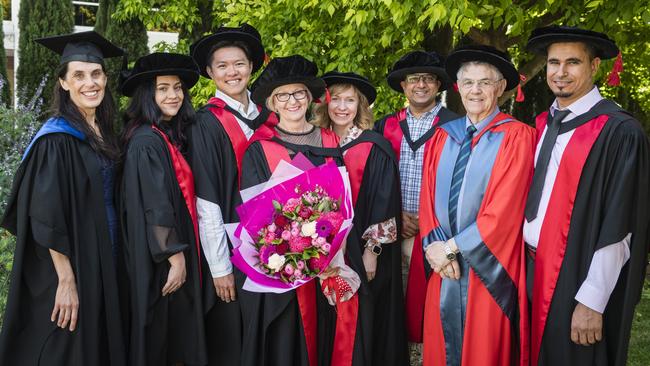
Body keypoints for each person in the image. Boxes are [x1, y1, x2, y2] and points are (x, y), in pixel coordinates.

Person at [524, 25, 650, 366]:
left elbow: (620, 223)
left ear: (594, 66)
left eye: (572, 62)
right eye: (553, 62)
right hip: (530, 269)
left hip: (576, 273)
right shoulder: (540, 125)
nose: (560, 72)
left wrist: (592, 300)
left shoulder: (619, 132)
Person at [0, 31, 127, 365]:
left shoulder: (104, 130)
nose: (90, 83)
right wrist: (66, 280)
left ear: (105, 77)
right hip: (77, 256)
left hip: (108, 250)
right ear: (64, 83)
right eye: (79, 75)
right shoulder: (56, 139)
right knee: (73, 343)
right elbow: (46, 214)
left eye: (96, 74)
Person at [419, 45, 534, 366]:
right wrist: (434, 248)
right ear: (457, 87)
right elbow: (427, 202)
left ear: (499, 87)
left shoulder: (518, 137)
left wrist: (451, 248)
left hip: (488, 268)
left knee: (482, 352)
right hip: (443, 266)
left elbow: (505, 210)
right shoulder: (442, 136)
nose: (476, 90)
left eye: (485, 82)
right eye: (468, 82)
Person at [239, 55, 344, 366]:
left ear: (309, 97)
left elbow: (344, 202)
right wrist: (289, 254)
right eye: (282, 95)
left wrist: (329, 249)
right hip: (282, 268)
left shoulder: (331, 140)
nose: (292, 101)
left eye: (299, 92)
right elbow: (255, 215)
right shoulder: (260, 148)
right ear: (272, 103)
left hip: (327, 262)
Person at [187, 23, 276, 365]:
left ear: (252, 66)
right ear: (209, 72)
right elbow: (206, 200)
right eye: (222, 66)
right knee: (235, 339)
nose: (232, 72)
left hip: (278, 246)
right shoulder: (205, 124)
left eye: (239, 63)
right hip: (233, 250)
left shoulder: (270, 117)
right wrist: (220, 267)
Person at [311, 71, 409, 365]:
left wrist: (372, 251)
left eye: (349, 100)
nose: (342, 107)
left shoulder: (373, 145)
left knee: (361, 318)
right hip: (323, 253)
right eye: (336, 99)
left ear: (360, 105)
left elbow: (385, 200)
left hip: (360, 251)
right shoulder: (316, 143)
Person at [119, 52, 210, 365]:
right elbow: (155, 204)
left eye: (177, 87)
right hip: (161, 258)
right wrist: (174, 256)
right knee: (162, 332)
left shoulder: (164, 135)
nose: (173, 95)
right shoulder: (146, 141)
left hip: (167, 250)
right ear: (148, 95)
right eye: (163, 88)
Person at [373, 50, 460, 344]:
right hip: (392, 227)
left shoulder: (456, 126)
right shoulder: (385, 126)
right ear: (403, 85)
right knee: (391, 298)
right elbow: (376, 179)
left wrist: (426, 219)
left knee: (430, 306)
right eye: (413, 79)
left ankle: (427, 350)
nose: (420, 85)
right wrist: (397, 216)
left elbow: (460, 184)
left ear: (438, 85)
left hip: (436, 231)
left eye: (428, 79)